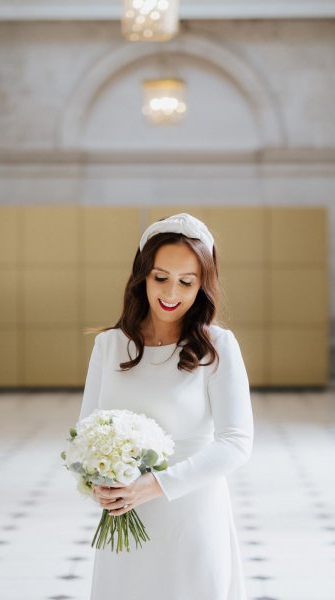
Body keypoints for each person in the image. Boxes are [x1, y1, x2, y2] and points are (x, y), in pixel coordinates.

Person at [78, 212, 254, 600]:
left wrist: (155, 485)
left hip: (192, 517)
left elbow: (237, 442)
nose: (171, 293)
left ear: (202, 286)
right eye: (161, 278)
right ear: (142, 275)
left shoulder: (218, 347)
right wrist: (99, 485)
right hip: (126, 519)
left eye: (186, 282)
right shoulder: (108, 346)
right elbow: (85, 431)